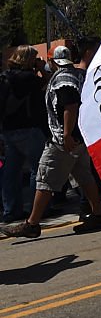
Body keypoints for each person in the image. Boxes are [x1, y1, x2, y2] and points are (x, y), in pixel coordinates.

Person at [0, 45, 101, 239]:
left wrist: (66, 134)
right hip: (78, 137)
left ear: (52, 61)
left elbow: (70, 105)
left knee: (45, 178)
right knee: (84, 176)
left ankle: (32, 223)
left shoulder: (62, 79)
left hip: (62, 140)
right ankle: (98, 213)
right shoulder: (77, 74)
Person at [0, 46, 47, 223]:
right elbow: (47, 84)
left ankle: (11, 209)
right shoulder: (29, 78)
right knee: (39, 169)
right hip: (29, 128)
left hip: (8, 130)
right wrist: (42, 69)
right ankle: (39, 209)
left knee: (11, 171)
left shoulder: (5, 77)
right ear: (29, 60)